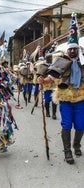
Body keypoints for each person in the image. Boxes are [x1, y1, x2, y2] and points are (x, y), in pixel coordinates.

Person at [38, 14, 84, 164]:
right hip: (65, 99)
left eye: (74, 50)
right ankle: (67, 152)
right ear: (67, 51)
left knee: (80, 125)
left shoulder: (83, 64)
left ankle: (76, 144)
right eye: (70, 50)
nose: (72, 52)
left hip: (81, 100)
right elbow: (51, 78)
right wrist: (43, 80)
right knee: (66, 125)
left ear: (78, 50)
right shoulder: (61, 62)